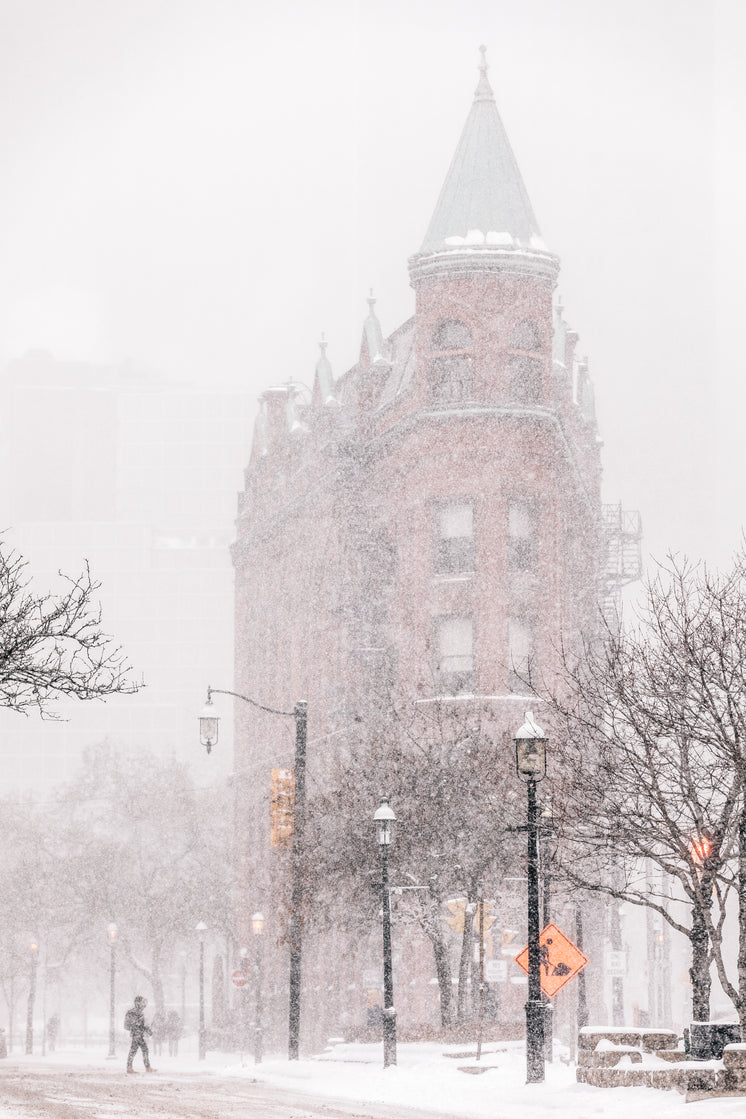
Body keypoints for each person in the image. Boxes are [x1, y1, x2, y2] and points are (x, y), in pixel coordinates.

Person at [124, 996, 156, 1073]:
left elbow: (131, 1025)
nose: (144, 1005)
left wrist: (146, 1029)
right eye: (142, 1003)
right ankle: (143, 1067)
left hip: (137, 1034)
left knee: (138, 1050)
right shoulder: (135, 1012)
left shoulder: (136, 1012)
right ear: (138, 1003)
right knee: (137, 1050)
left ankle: (144, 1067)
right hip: (137, 1034)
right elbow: (138, 1024)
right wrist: (145, 1029)